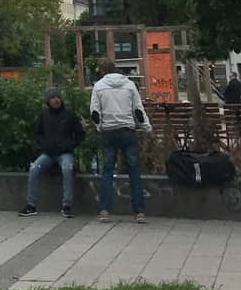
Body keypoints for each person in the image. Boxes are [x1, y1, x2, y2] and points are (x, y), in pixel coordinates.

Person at [90, 60, 152, 222]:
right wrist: (146, 127)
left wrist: (99, 127)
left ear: (103, 71)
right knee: (133, 170)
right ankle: (139, 212)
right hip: (127, 130)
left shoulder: (99, 86)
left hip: (109, 132)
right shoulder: (130, 85)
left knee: (108, 170)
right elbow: (138, 109)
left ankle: (105, 210)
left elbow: (95, 112)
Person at [21, 84, 86, 217]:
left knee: (67, 169)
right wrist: (44, 146)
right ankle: (31, 205)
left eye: (58, 97)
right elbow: (37, 134)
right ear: (48, 100)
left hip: (65, 153)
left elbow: (80, 135)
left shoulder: (69, 114)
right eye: (53, 98)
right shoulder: (43, 115)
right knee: (34, 169)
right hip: (48, 153)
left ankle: (67, 205)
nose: (56, 100)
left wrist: (69, 146)